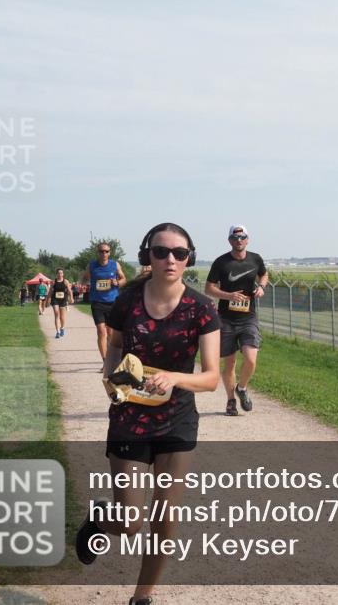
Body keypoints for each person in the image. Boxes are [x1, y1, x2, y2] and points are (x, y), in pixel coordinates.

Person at [75, 222, 220, 605]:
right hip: (130, 418)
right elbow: (116, 345)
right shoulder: (128, 302)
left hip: (178, 419)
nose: (170, 259)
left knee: (165, 518)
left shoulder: (202, 309)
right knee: (129, 521)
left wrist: (175, 378)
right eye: (161, 252)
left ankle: (142, 598)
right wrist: (110, 372)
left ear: (189, 259)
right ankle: (100, 520)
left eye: (179, 253)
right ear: (147, 257)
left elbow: (211, 379)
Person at [204, 224, 268, 416]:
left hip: (248, 317)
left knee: (250, 357)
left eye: (242, 237)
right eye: (235, 238)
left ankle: (242, 388)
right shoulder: (221, 263)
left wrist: (262, 287)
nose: (238, 241)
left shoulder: (255, 259)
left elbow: (264, 274)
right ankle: (231, 400)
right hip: (226, 319)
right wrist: (228, 296)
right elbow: (209, 288)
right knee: (229, 363)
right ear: (229, 240)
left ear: (248, 239)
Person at [81, 243, 127, 372]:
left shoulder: (115, 265)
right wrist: (85, 284)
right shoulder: (91, 266)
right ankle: (105, 361)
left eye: (106, 251)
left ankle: (113, 358)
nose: (104, 254)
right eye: (101, 251)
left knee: (111, 334)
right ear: (98, 252)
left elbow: (124, 279)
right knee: (101, 331)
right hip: (97, 303)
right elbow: (84, 279)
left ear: (109, 252)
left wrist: (117, 282)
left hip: (112, 303)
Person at [50, 268, 74, 338]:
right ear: (56, 274)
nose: (60, 274)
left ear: (63, 274)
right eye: (58, 273)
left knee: (61, 317)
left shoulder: (65, 281)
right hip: (55, 299)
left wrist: (71, 298)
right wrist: (48, 299)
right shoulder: (53, 282)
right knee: (56, 314)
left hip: (63, 300)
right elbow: (50, 292)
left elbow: (70, 291)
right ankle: (57, 332)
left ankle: (62, 328)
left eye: (61, 273)